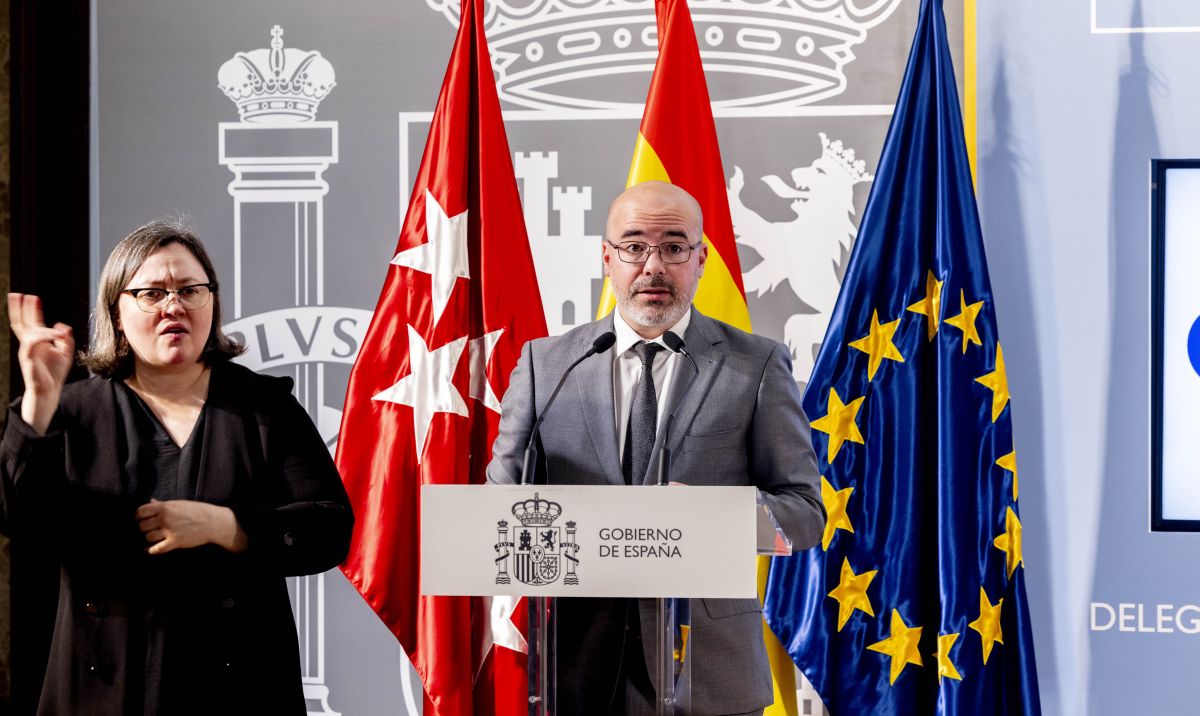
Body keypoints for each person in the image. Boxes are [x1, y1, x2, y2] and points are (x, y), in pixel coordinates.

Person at [487, 181, 826, 714]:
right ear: (607, 258)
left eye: (673, 247)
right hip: (578, 665)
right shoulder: (547, 365)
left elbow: (805, 513)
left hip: (710, 671)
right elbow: (496, 514)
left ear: (701, 260)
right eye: (634, 246)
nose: (653, 266)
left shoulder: (755, 365)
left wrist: (712, 517)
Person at [1, 220, 354, 714]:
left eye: (191, 290)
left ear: (213, 302)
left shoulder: (263, 407)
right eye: (151, 293)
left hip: (238, 685)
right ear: (117, 313)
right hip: (105, 684)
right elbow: (21, 518)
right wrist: (39, 399)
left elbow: (331, 528)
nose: (175, 305)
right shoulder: (73, 411)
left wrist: (228, 526)